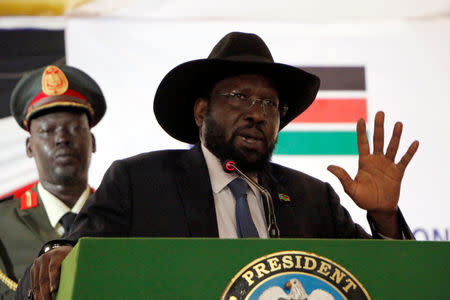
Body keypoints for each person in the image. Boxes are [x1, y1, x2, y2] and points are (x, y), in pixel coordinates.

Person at [18, 32, 419, 300]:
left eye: (268, 105)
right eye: (238, 97)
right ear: (201, 111)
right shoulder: (140, 183)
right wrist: (58, 254)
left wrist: (384, 219)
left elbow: (386, 287)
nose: (256, 114)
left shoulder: (312, 198)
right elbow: (68, 260)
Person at [0, 65, 106, 299]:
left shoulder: (120, 219)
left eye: (75, 128)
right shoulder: (2, 225)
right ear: (29, 147)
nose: (62, 139)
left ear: (93, 142)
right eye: (48, 130)